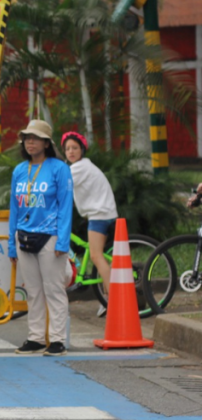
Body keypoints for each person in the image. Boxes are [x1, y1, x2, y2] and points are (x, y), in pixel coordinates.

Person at [8, 119, 73, 356]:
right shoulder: (19, 170)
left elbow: (65, 207)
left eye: (35, 138)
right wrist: (11, 244)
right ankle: (35, 338)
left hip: (51, 237)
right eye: (27, 138)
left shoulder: (59, 168)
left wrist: (63, 241)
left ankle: (57, 340)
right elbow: (14, 208)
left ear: (47, 143)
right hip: (23, 237)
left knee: (54, 289)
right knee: (33, 291)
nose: (30, 142)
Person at [62, 131, 118, 317]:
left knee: (95, 256)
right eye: (68, 148)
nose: (71, 151)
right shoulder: (81, 166)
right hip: (101, 212)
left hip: (100, 215)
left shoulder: (78, 168)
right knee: (97, 254)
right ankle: (106, 297)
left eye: (75, 148)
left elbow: (61, 185)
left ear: (82, 150)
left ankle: (112, 300)